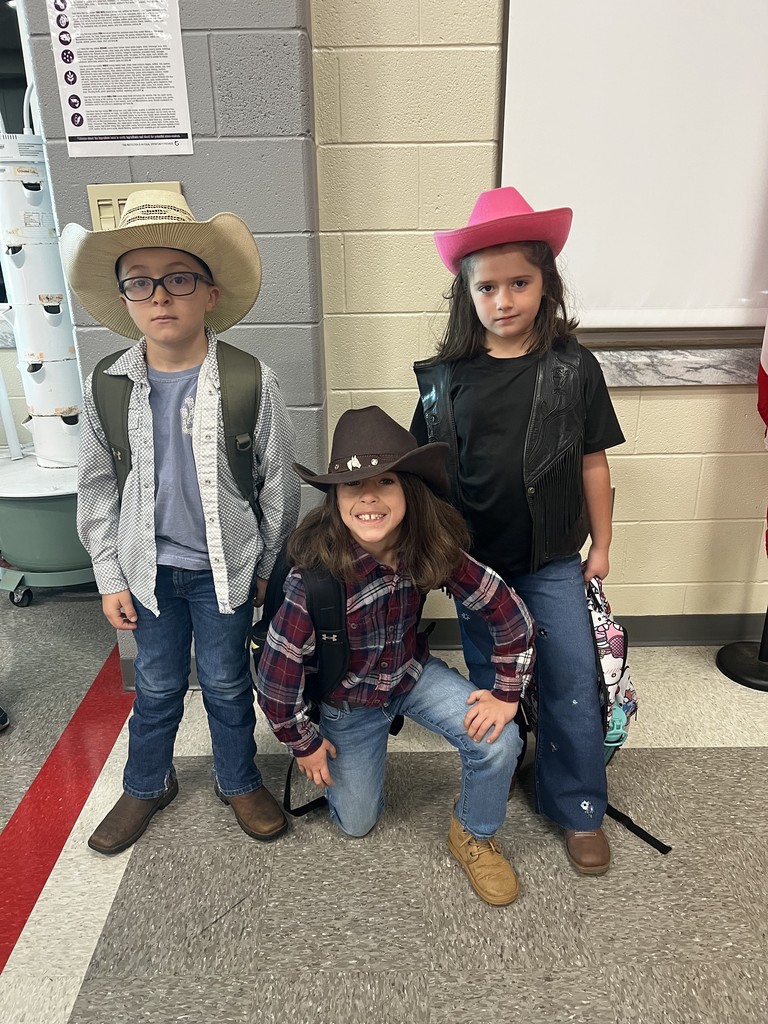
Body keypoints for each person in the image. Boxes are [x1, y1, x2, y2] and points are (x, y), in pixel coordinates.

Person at [60, 190, 300, 854]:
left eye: (178, 279)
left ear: (209, 293)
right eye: (141, 283)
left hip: (224, 573)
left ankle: (237, 778)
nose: (160, 297)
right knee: (158, 683)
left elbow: (278, 488)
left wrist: (266, 572)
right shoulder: (107, 382)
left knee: (226, 681)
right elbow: (98, 487)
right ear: (126, 298)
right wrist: (109, 574)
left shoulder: (252, 380)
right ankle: (146, 784)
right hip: (148, 572)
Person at [411, 187, 625, 876]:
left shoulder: (574, 368)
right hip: (476, 572)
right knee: (493, 684)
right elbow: (424, 476)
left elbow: (593, 462)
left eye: (520, 284)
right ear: (466, 295)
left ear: (546, 285)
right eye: (488, 287)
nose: (504, 300)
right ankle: (498, 779)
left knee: (567, 678)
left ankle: (578, 806)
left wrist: (605, 543)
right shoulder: (445, 381)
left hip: (553, 560)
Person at [256, 406, 535, 906]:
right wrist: (303, 743)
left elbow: (508, 612)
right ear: (335, 499)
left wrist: (507, 694)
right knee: (357, 824)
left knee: (500, 740)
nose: (367, 496)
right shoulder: (313, 578)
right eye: (351, 486)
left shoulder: (429, 546)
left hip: (408, 675)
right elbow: (277, 678)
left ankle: (474, 831)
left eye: (384, 481)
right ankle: (361, 760)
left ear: (409, 489)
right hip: (348, 703)